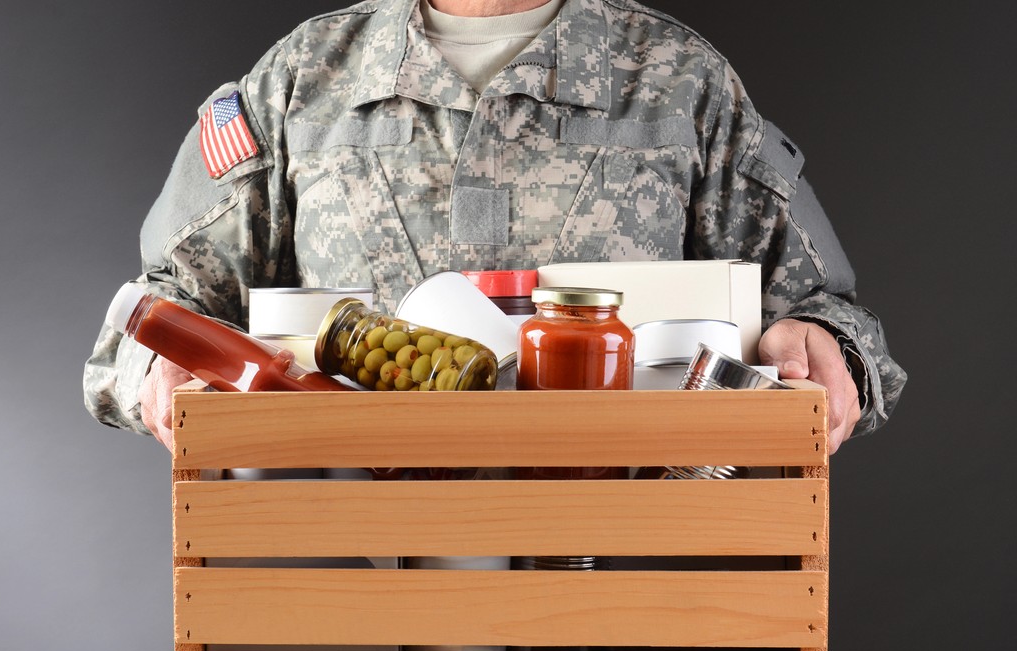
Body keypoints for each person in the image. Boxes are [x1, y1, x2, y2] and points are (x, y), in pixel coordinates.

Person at [84, 0, 906, 454]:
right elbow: (160, 309)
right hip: (362, 588)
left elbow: (831, 313)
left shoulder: (679, 81)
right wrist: (159, 369)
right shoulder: (304, 82)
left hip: (625, 589)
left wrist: (824, 348)